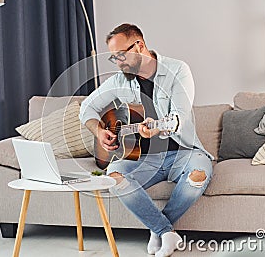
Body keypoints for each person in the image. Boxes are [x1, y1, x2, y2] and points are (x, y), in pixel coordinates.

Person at [79, 23, 213, 257]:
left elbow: (179, 117)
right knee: (113, 177)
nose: (119, 62)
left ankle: (158, 229)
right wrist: (99, 131)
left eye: (121, 55)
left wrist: (159, 129)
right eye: (114, 58)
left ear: (139, 46)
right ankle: (165, 230)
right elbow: (86, 109)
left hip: (184, 152)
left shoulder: (178, 70)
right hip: (143, 157)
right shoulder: (120, 81)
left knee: (198, 177)